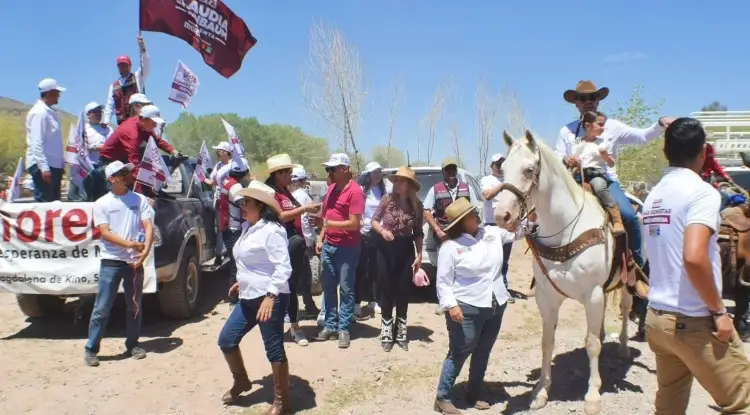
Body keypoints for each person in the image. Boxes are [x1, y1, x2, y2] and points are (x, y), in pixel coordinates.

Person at [642, 117, 750, 414]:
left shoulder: (654, 196)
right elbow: (694, 256)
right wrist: (718, 311)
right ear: (703, 152)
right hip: (694, 320)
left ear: (666, 152)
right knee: (742, 402)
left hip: (658, 319)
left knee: (670, 403)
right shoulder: (702, 192)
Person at [555, 80, 675, 268]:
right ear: (576, 102)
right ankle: (546, 265)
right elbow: (558, 156)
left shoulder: (612, 127)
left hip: (606, 180)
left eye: (593, 97)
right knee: (548, 216)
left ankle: (637, 265)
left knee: (630, 216)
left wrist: (660, 124)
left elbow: (642, 137)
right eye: (583, 98)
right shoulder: (566, 131)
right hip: (574, 181)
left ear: (598, 101)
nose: (589, 101)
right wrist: (566, 160)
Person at [433, 198, 523, 414]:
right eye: (473, 214)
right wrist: (451, 306)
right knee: (460, 350)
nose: (478, 216)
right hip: (466, 307)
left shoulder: (492, 233)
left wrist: (531, 216)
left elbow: (519, 232)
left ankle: (474, 392)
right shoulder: (451, 247)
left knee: (483, 350)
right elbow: (443, 282)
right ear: (464, 222)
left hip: (495, 303)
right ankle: (442, 397)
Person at [217, 180, 292, 412]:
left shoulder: (273, 230)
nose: (242, 206)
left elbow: (283, 267)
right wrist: (242, 280)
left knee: (273, 347)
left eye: (246, 202)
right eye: (241, 202)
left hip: (271, 297)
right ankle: (241, 380)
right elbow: (250, 262)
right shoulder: (247, 228)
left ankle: (282, 400)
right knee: (226, 340)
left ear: (260, 205)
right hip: (249, 296)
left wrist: (270, 295)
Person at [84, 161, 154, 367]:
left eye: (128, 172)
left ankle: (133, 344)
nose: (128, 175)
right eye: (123, 173)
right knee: (102, 307)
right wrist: (131, 244)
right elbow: (105, 233)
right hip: (111, 261)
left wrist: (145, 251)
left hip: (134, 262)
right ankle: (91, 348)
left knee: (134, 305)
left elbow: (148, 226)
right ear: (112, 179)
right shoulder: (102, 204)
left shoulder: (138, 199)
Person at [265, 154, 320, 347]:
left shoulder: (286, 192)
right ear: (277, 174)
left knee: (292, 286)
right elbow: (281, 216)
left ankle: (294, 326)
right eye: (287, 172)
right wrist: (304, 209)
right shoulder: (272, 193)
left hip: (294, 246)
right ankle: (283, 327)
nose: (291, 175)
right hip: (281, 247)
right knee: (282, 286)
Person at [314, 153, 365, 349]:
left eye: (332, 169)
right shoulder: (331, 189)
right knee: (328, 286)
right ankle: (330, 325)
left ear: (345, 169)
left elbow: (354, 224)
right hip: (329, 245)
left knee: (345, 287)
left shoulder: (355, 191)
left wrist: (325, 223)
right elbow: (326, 215)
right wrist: (321, 237)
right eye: (328, 169)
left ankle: (343, 328)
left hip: (347, 247)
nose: (329, 172)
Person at [371, 167, 423, 352]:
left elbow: (418, 233)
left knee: (403, 290)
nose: (397, 184)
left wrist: (419, 255)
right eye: (396, 180)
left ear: (409, 185)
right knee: (386, 289)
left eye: (401, 181)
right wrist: (383, 231)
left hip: (405, 249)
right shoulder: (387, 200)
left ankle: (401, 333)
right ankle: (386, 332)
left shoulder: (417, 206)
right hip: (385, 250)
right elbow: (374, 221)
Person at [99, 105, 180, 191]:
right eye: (153, 122)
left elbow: (156, 140)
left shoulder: (143, 125)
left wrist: (173, 151)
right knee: (118, 188)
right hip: (110, 163)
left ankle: (148, 192)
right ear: (144, 120)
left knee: (134, 180)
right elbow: (135, 164)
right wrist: (142, 197)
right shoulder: (131, 133)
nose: (155, 125)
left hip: (123, 160)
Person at [573, 111, 625, 235]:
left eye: (604, 125)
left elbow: (611, 163)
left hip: (595, 173)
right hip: (580, 174)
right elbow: (574, 156)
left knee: (600, 188)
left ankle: (617, 219)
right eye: (600, 124)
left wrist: (606, 156)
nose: (603, 127)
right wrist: (573, 160)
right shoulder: (578, 142)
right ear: (587, 126)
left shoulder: (603, 143)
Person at [480, 153, 518, 303]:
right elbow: (488, 195)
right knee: (490, 258)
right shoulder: (487, 180)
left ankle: (503, 289)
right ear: (491, 166)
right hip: (491, 224)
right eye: (497, 164)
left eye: (503, 163)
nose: (500, 166)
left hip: (507, 225)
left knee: (504, 259)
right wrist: (503, 185)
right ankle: (488, 289)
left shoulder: (511, 181)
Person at [355, 161, 392, 317]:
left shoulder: (385, 189)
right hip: (363, 233)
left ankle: (373, 300)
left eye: (379, 172)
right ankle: (356, 303)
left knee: (376, 269)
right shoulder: (361, 190)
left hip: (378, 233)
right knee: (360, 268)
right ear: (368, 174)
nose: (377, 175)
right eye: (374, 172)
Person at [216, 159, 251, 308]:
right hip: (234, 229)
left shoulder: (227, 182)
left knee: (235, 263)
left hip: (227, 227)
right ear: (243, 174)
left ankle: (236, 299)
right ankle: (235, 301)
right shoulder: (236, 187)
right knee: (237, 265)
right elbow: (243, 206)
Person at [26, 78, 66, 202]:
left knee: (53, 206)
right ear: (49, 93)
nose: (59, 95)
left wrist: (60, 165)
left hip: (53, 166)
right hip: (44, 166)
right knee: (44, 205)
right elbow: (37, 142)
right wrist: (44, 168)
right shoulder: (40, 113)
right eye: (57, 92)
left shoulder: (49, 112)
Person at [290, 166, 321, 318]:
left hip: (296, 239)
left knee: (302, 275)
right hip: (302, 240)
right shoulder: (302, 196)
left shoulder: (292, 195)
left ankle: (308, 306)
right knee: (302, 275)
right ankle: (306, 307)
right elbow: (305, 221)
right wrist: (310, 241)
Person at [68, 102, 113, 202]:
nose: (98, 114)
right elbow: (78, 147)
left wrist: (98, 147)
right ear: (88, 114)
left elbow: (111, 145)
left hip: (102, 166)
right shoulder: (82, 129)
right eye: (95, 112)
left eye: (99, 112)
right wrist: (94, 147)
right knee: (86, 196)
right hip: (86, 167)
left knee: (101, 196)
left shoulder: (107, 129)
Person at [102, 36, 150, 127]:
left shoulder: (137, 77)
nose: (123, 68)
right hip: (122, 124)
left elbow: (146, 65)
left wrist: (142, 49)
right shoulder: (114, 86)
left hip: (137, 122)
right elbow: (110, 105)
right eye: (120, 66)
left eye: (125, 65)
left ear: (130, 66)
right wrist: (106, 120)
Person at [424, 158, 474, 244]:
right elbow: (425, 212)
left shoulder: (467, 188)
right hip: (444, 235)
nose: (451, 171)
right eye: (448, 169)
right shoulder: (435, 189)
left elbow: (474, 210)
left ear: (456, 170)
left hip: (464, 234)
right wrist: (437, 230)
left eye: (453, 168)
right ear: (442, 171)